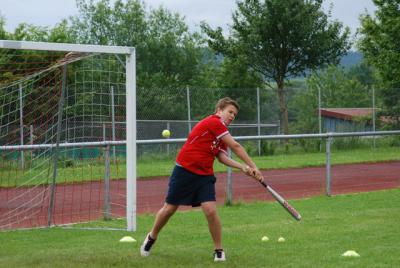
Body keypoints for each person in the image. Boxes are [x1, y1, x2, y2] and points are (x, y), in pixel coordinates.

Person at [140, 97, 264, 262]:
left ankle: (218, 250)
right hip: (184, 170)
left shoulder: (221, 132)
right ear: (219, 111)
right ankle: (152, 236)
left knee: (211, 211)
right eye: (230, 112)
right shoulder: (213, 122)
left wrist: (242, 167)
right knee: (169, 210)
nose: (232, 116)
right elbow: (236, 146)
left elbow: (221, 155)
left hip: (204, 175)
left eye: (235, 114)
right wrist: (254, 166)